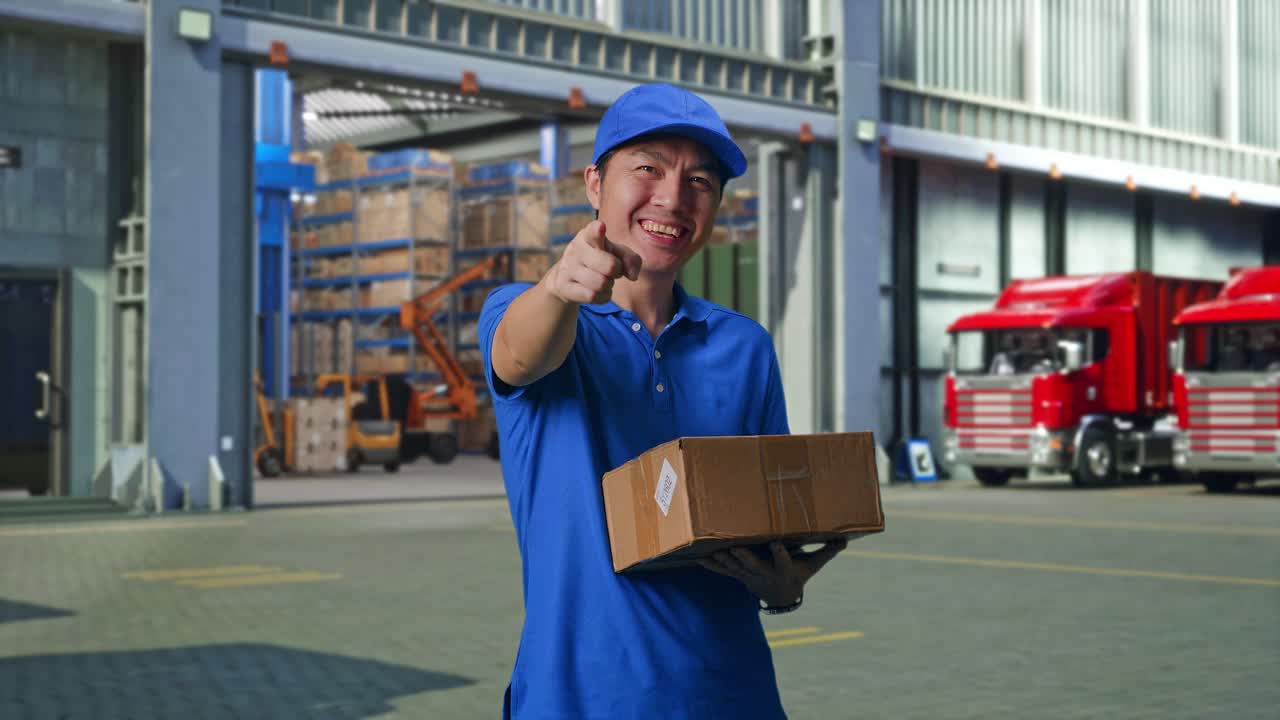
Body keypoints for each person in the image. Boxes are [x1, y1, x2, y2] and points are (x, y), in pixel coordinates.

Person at [479, 83, 847, 719]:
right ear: (595, 183)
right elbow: (518, 355)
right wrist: (561, 289)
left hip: (729, 694)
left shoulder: (744, 346)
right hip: (578, 697)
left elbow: (766, 517)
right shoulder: (532, 313)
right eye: (647, 168)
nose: (673, 198)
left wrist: (781, 586)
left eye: (700, 180)